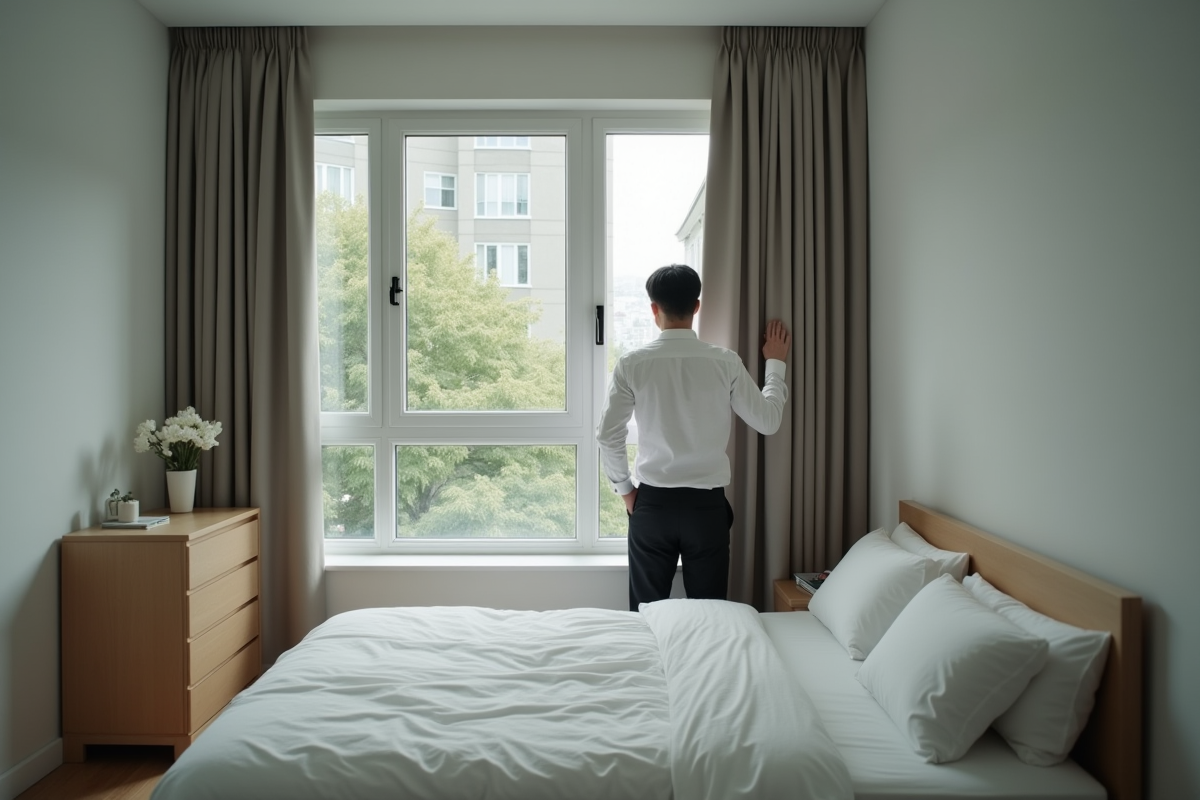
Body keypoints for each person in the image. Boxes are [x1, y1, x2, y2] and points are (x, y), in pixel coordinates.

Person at [597, 264, 791, 611]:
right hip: (706, 509)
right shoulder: (725, 362)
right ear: (696, 306)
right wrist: (775, 364)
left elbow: (608, 434)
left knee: (646, 614)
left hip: (653, 506)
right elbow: (769, 421)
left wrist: (625, 490)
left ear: (654, 309)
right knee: (710, 617)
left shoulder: (632, 364)